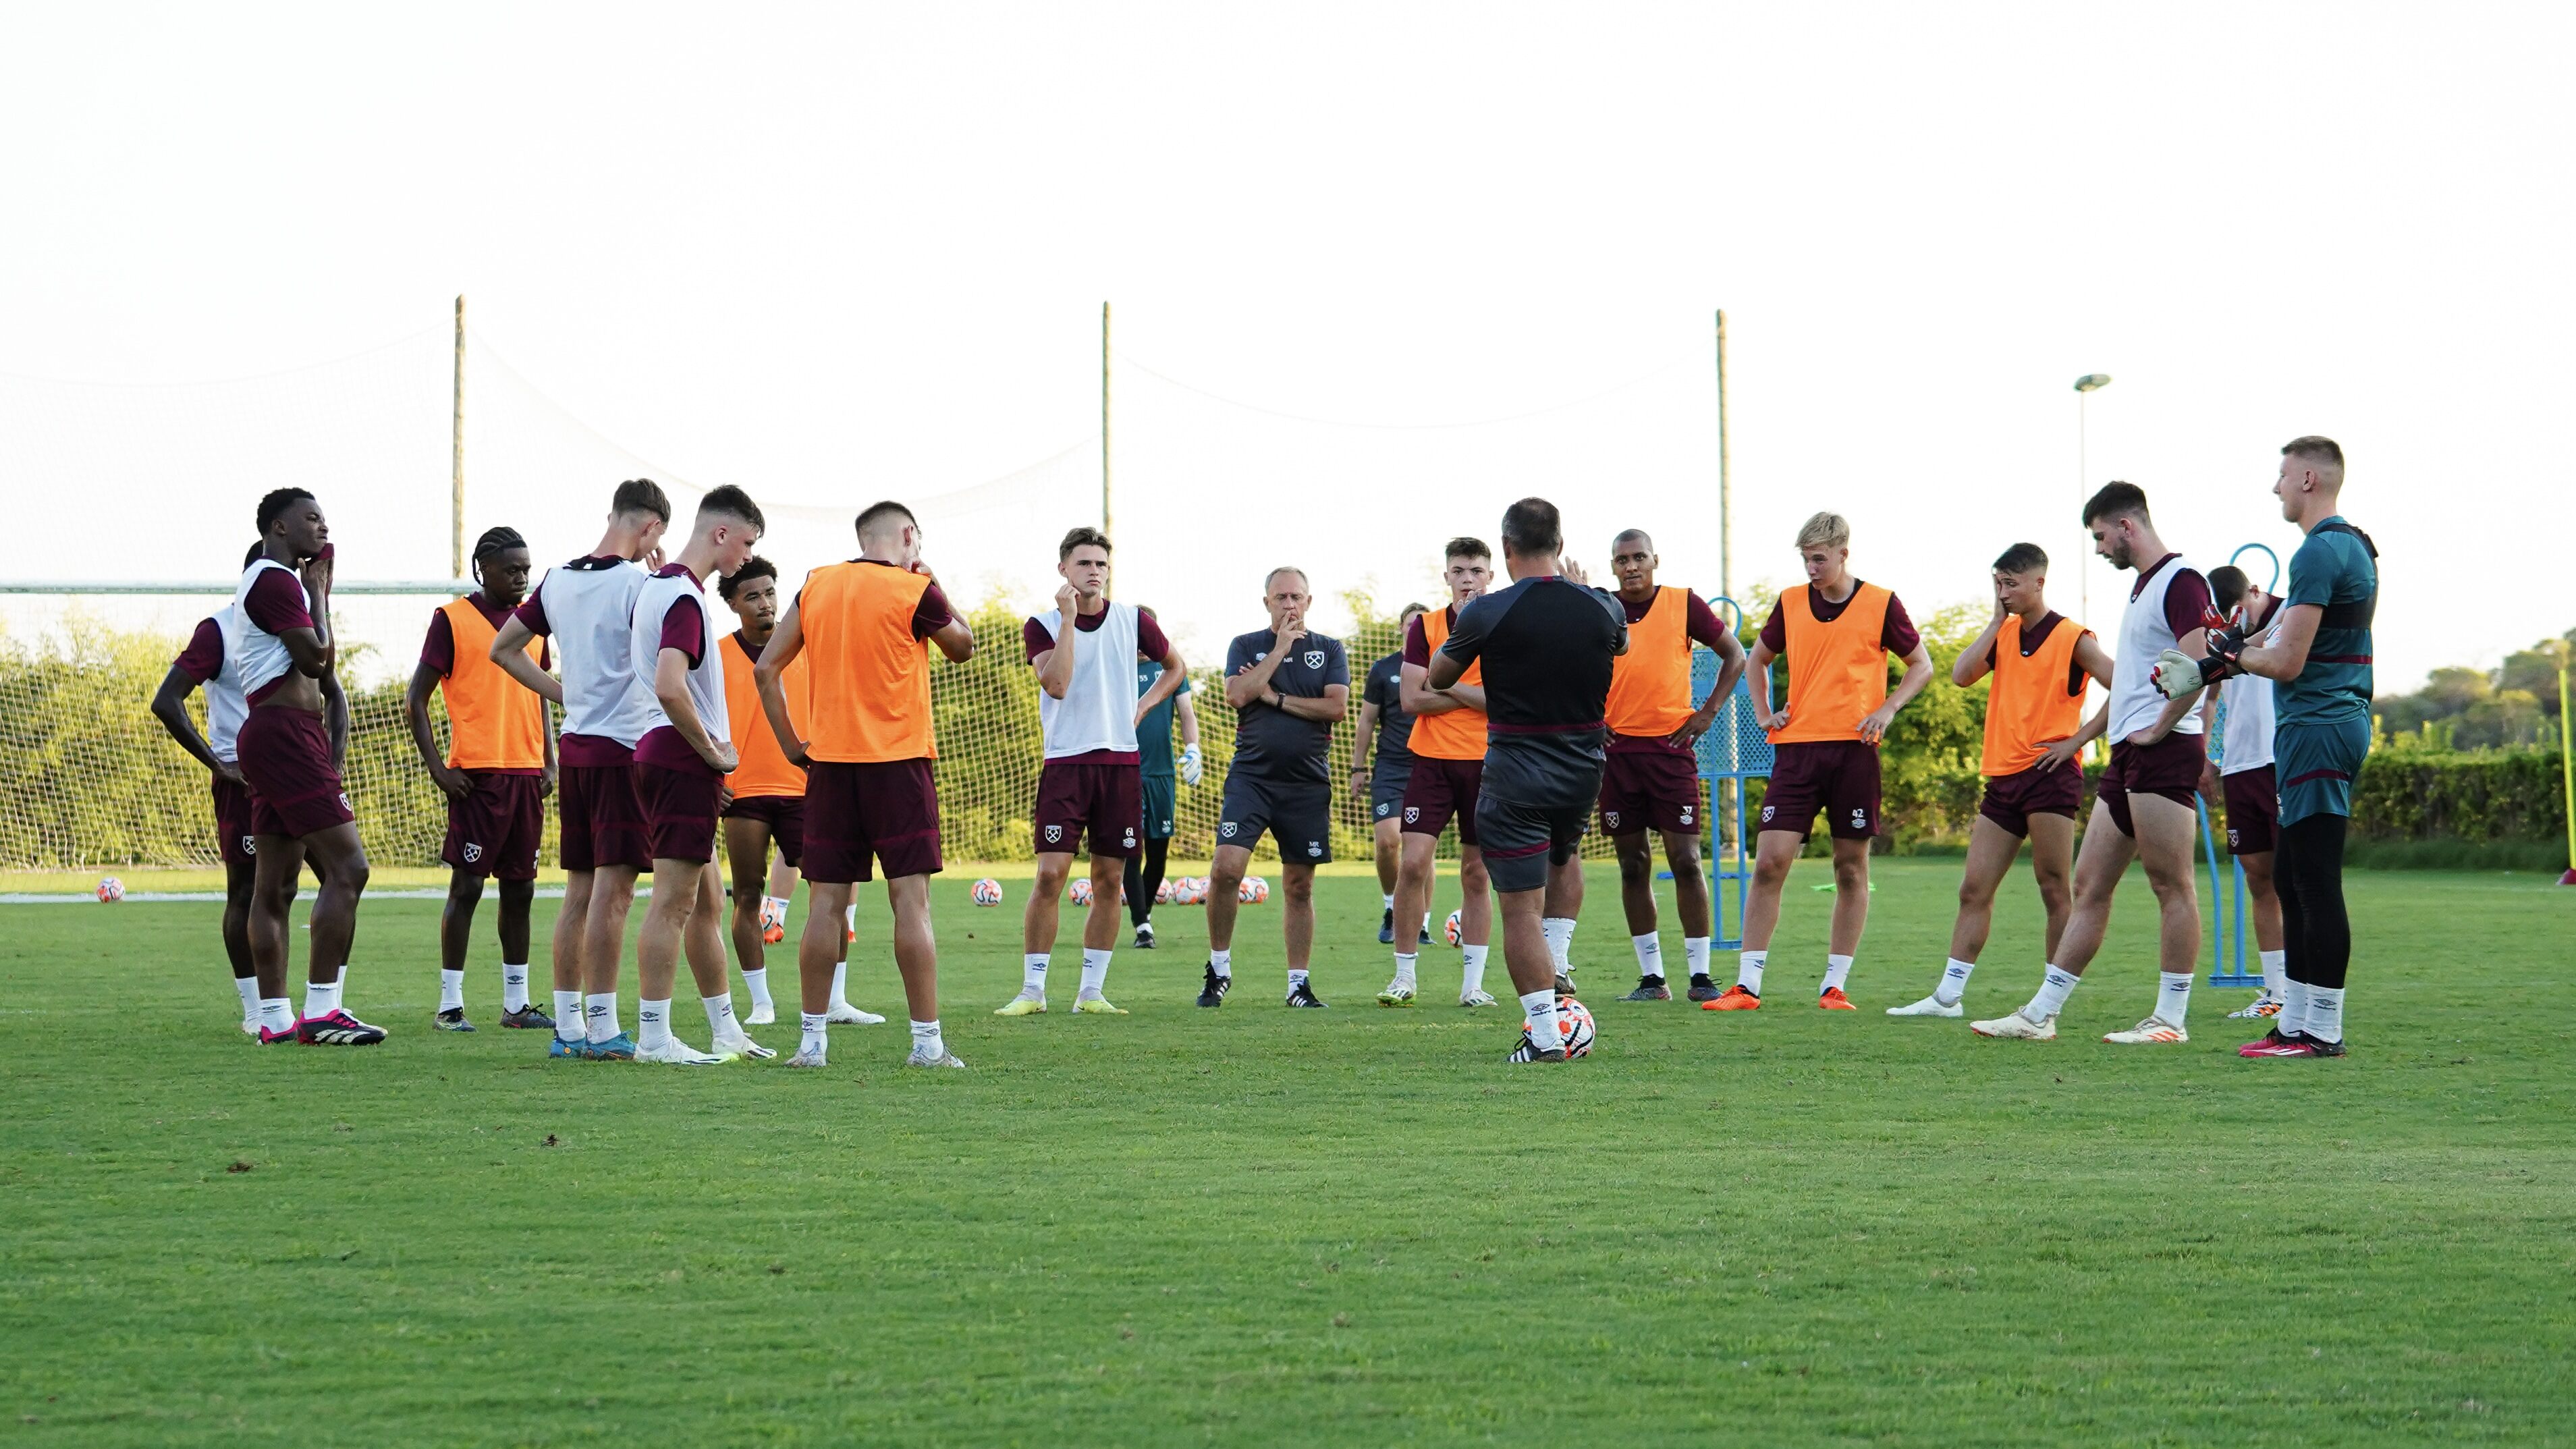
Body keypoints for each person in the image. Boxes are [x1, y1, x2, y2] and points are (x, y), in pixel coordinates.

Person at [1972, 482, 2214, 1043]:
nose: (2101, 549)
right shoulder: (2141, 590)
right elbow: (2129, 686)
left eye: (2102, 536)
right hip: (2128, 753)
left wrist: (2159, 725)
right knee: (2089, 882)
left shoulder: (2181, 580)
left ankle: (2169, 1021)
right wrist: (2107, 732)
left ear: (2127, 526)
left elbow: (2200, 661)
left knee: (2170, 884)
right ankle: (2039, 1015)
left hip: (2165, 749)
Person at [2158, 437, 2375, 1060]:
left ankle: (2320, 1029)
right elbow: (2270, 647)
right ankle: (2296, 1022)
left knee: (2311, 877)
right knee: (2288, 874)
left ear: (2308, 478)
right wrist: (2209, 668)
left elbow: (2284, 661)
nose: (2274, 487)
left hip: (2319, 724)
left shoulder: (2317, 551)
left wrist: (2222, 656)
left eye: (2281, 475)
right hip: (2320, 722)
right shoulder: (2348, 544)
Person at [756, 499, 976, 1068]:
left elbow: (765, 669)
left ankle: (811, 1044)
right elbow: (963, 646)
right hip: (898, 765)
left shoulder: (816, 585)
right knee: (911, 902)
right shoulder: (912, 590)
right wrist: (933, 580)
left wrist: (789, 745)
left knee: (824, 904)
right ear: (907, 536)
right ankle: (926, 1045)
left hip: (829, 767)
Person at [1703, 512, 1933, 1013]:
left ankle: (1834, 985)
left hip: (1854, 752)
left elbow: (1922, 665)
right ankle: (1746, 986)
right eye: (1806, 558)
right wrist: (1765, 713)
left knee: (1850, 868)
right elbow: (1756, 659)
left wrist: (1888, 707)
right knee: (1769, 863)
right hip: (1797, 750)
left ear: (1843, 553)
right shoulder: (1789, 603)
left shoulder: (1880, 603)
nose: (1811, 567)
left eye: (1820, 558)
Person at [1427, 499, 1627, 1062]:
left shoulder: (1488, 611)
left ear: (1506, 549)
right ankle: (1558, 963)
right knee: (1563, 859)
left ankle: (1544, 1035)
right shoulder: (1603, 607)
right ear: (1560, 546)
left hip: (1516, 772)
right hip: (1583, 770)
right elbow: (1622, 644)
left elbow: (1441, 676)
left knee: (1518, 910)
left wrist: (1469, 622)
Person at [1889, 543, 2110, 1017]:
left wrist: (2076, 741)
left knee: (2053, 886)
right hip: (2002, 778)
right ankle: (1947, 997)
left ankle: (2050, 1003)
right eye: (1999, 583)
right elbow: (1960, 675)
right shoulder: (2003, 633)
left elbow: (2125, 685)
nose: (2005, 592)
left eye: (2012, 583)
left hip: (2049, 777)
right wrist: (1993, 621)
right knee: (1973, 888)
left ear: (2038, 583)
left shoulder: (2073, 636)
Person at [489, 479, 670, 1060]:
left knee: (578, 892)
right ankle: (601, 1027)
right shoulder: (640, 585)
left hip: (576, 750)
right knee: (614, 895)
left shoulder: (558, 580)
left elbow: (503, 648)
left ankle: (569, 1029)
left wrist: (566, 694)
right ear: (651, 529)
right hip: (622, 752)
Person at [150, 545, 336, 1037]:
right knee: (251, 889)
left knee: (331, 874)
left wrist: (331, 761)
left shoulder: (294, 628)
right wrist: (218, 762)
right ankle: (260, 1012)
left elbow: (331, 690)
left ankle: (323, 1004)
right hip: (245, 773)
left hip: (299, 766)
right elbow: (166, 699)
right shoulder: (219, 629)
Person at [1002, 526, 1186, 1017]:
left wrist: (1144, 706)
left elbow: (1175, 666)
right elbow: (1057, 684)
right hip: (1066, 762)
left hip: (1120, 764)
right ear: (1063, 569)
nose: (1094, 572)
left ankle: (1091, 992)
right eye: (1084, 563)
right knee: (1050, 875)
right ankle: (1032, 992)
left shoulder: (1131, 620)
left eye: (1101, 564)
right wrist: (1067, 620)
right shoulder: (1041, 624)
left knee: (1110, 879)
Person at [627, 485, 772, 1064]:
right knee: (673, 904)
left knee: (709, 902)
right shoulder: (684, 598)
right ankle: (654, 1037)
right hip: (678, 758)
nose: (746, 555)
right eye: (746, 542)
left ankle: (726, 1028)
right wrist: (711, 752)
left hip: (665, 755)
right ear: (720, 534)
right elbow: (668, 685)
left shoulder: (659, 587)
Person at [229, 489, 377, 1045]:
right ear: (279, 526)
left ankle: (274, 1018)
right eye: (311, 518)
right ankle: (321, 1012)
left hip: (274, 735)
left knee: (276, 886)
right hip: (285, 736)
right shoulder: (274, 579)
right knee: (350, 868)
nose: (323, 527)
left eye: (325, 519)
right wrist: (318, 596)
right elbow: (317, 659)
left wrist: (318, 596)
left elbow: (322, 667)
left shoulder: (273, 580)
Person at [403, 526, 556, 1033]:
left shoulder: (533, 624)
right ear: (482, 568)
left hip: (526, 776)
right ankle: (450, 1005)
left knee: (521, 890)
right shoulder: (452, 619)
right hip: (478, 776)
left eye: (526, 569)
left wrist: (549, 760)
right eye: (511, 569)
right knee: (467, 887)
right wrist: (438, 769)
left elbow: (541, 694)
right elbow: (415, 699)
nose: (521, 577)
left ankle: (516, 1005)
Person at [714, 555, 878, 1027]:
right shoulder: (718, 653)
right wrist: (715, 777)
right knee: (747, 896)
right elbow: (703, 720)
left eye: (770, 592)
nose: (765, 603)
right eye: (752, 595)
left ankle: (836, 1000)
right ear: (732, 605)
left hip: (807, 788)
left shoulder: (807, 648)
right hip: (743, 792)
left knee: (832, 892)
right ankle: (761, 1002)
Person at [1600, 528, 1746, 1002]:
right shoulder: (1602, 608)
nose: (1631, 566)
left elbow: (1735, 654)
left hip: (1669, 749)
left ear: (1655, 559)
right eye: (1622, 559)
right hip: (1617, 751)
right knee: (1632, 863)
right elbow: (1572, 664)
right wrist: (1588, 719)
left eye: (1638, 556)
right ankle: (1651, 978)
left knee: (1685, 860)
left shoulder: (1684, 603)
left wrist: (1707, 713)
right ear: (1613, 566)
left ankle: (1701, 976)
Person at [1198, 568, 1350, 1008]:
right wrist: (1279, 650)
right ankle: (1219, 968)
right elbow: (1236, 694)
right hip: (1251, 778)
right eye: (1280, 597)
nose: (1289, 604)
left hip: (1306, 783)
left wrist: (1276, 697)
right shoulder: (1245, 645)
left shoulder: (1328, 648)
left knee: (1299, 885)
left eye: (1296, 597)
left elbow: (1336, 707)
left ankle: (1297, 985)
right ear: (1265, 601)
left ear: (1309, 601)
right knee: (1226, 868)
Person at [1381, 539, 1498, 1008]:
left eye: (1475, 569)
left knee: (1476, 873)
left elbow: (1504, 701)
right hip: (1430, 759)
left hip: (1488, 760)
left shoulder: (1502, 626)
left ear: (1490, 575)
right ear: (1445, 576)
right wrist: (1473, 690)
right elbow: (1411, 699)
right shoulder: (1426, 627)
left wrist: (1442, 683)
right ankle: (1404, 977)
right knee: (1412, 864)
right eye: (1458, 570)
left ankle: (1472, 985)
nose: (1467, 578)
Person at [2199, 564, 2289, 1019]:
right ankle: (2276, 992)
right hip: (2239, 765)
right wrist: (2209, 757)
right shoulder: (2221, 637)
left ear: (2254, 591)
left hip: (2280, 761)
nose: (2233, 622)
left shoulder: (2292, 613)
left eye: (2236, 611)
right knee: (2257, 876)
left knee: (2292, 877)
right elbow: (2212, 696)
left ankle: (2307, 989)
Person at [1351, 603, 1430, 946]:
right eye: (1410, 625)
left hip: (1429, 765)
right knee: (1388, 841)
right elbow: (1366, 720)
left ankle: (1422, 923)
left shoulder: (1441, 667)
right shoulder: (1383, 669)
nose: (1415, 630)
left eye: (1422, 626)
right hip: (1391, 768)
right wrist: (1358, 767)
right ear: (1400, 628)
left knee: (1420, 849)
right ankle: (1390, 908)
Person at [1125, 604, 1203, 950]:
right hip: (1123, 772)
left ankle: (1146, 915)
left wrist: (1194, 749)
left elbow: (1187, 713)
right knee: (1132, 848)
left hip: (1162, 775)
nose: (1141, 644)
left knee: (1158, 851)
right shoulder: (1116, 668)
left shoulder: (1171, 670)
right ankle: (1141, 925)